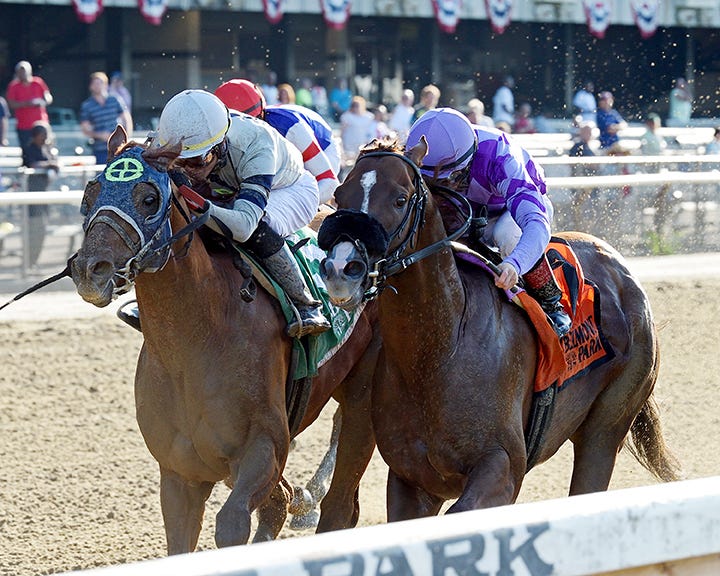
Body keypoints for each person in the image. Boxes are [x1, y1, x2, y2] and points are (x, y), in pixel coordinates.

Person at [132, 89, 330, 338]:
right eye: (181, 161)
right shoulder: (173, 136)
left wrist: (199, 204)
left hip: (289, 189)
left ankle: (305, 304)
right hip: (229, 187)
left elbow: (245, 226)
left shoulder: (257, 146)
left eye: (197, 161)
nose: (190, 171)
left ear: (221, 144)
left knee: (259, 227)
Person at [405, 107, 571, 336]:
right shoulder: (412, 152)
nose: (444, 186)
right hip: (466, 211)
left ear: (468, 159)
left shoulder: (501, 157)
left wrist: (515, 264)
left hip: (507, 211)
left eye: (451, 177)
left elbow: (536, 222)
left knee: (508, 236)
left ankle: (551, 303)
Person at [214, 78, 341, 204]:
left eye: (252, 123)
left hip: (323, 149)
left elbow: (329, 182)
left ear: (261, 114)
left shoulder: (291, 129)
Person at [21, 121, 59, 269]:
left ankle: (34, 260)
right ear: (35, 135)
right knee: (33, 229)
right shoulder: (29, 149)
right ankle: (29, 261)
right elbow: (32, 164)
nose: (44, 138)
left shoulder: (46, 149)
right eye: (42, 135)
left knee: (42, 228)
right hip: (32, 197)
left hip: (44, 195)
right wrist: (49, 165)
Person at [80, 72, 133, 164]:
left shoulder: (115, 99)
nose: (98, 86)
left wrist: (127, 136)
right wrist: (100, 135)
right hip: (100, 148)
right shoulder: (87, 105)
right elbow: (85, 129)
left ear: (106, 85)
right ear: (91, 86)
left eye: (100, 83)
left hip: (118, 146)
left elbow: (126, 118)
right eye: (95, 83)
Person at [5, 60, 53, 150]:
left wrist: (44, 101)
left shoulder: (38, 82)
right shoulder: (14, 86)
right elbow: (11, 104)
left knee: (45, 149)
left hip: (41, 123)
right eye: (20, 72)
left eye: (24, 71)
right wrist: (27, 104)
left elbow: (48, 96)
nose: (22, 74)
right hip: (24, 125)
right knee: (27, 150)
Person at [568, 121, 599, 231]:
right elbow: (572, 163)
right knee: (580, 211)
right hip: (580, 186)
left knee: (592, 210)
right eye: (585, 132)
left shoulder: (594, 146)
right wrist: (588, 164)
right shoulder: (577, 146)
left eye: (589, 132)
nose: (588, 134)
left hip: (591, 185)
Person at [339, 96, 375, 161]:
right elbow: (342, 130)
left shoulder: (369, 117)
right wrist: (342, 143)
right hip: (350, 143)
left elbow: (371, 131)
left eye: (357, 105)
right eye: (353, 105)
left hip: (364, 143)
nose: (355, 108)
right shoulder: (346, 116)